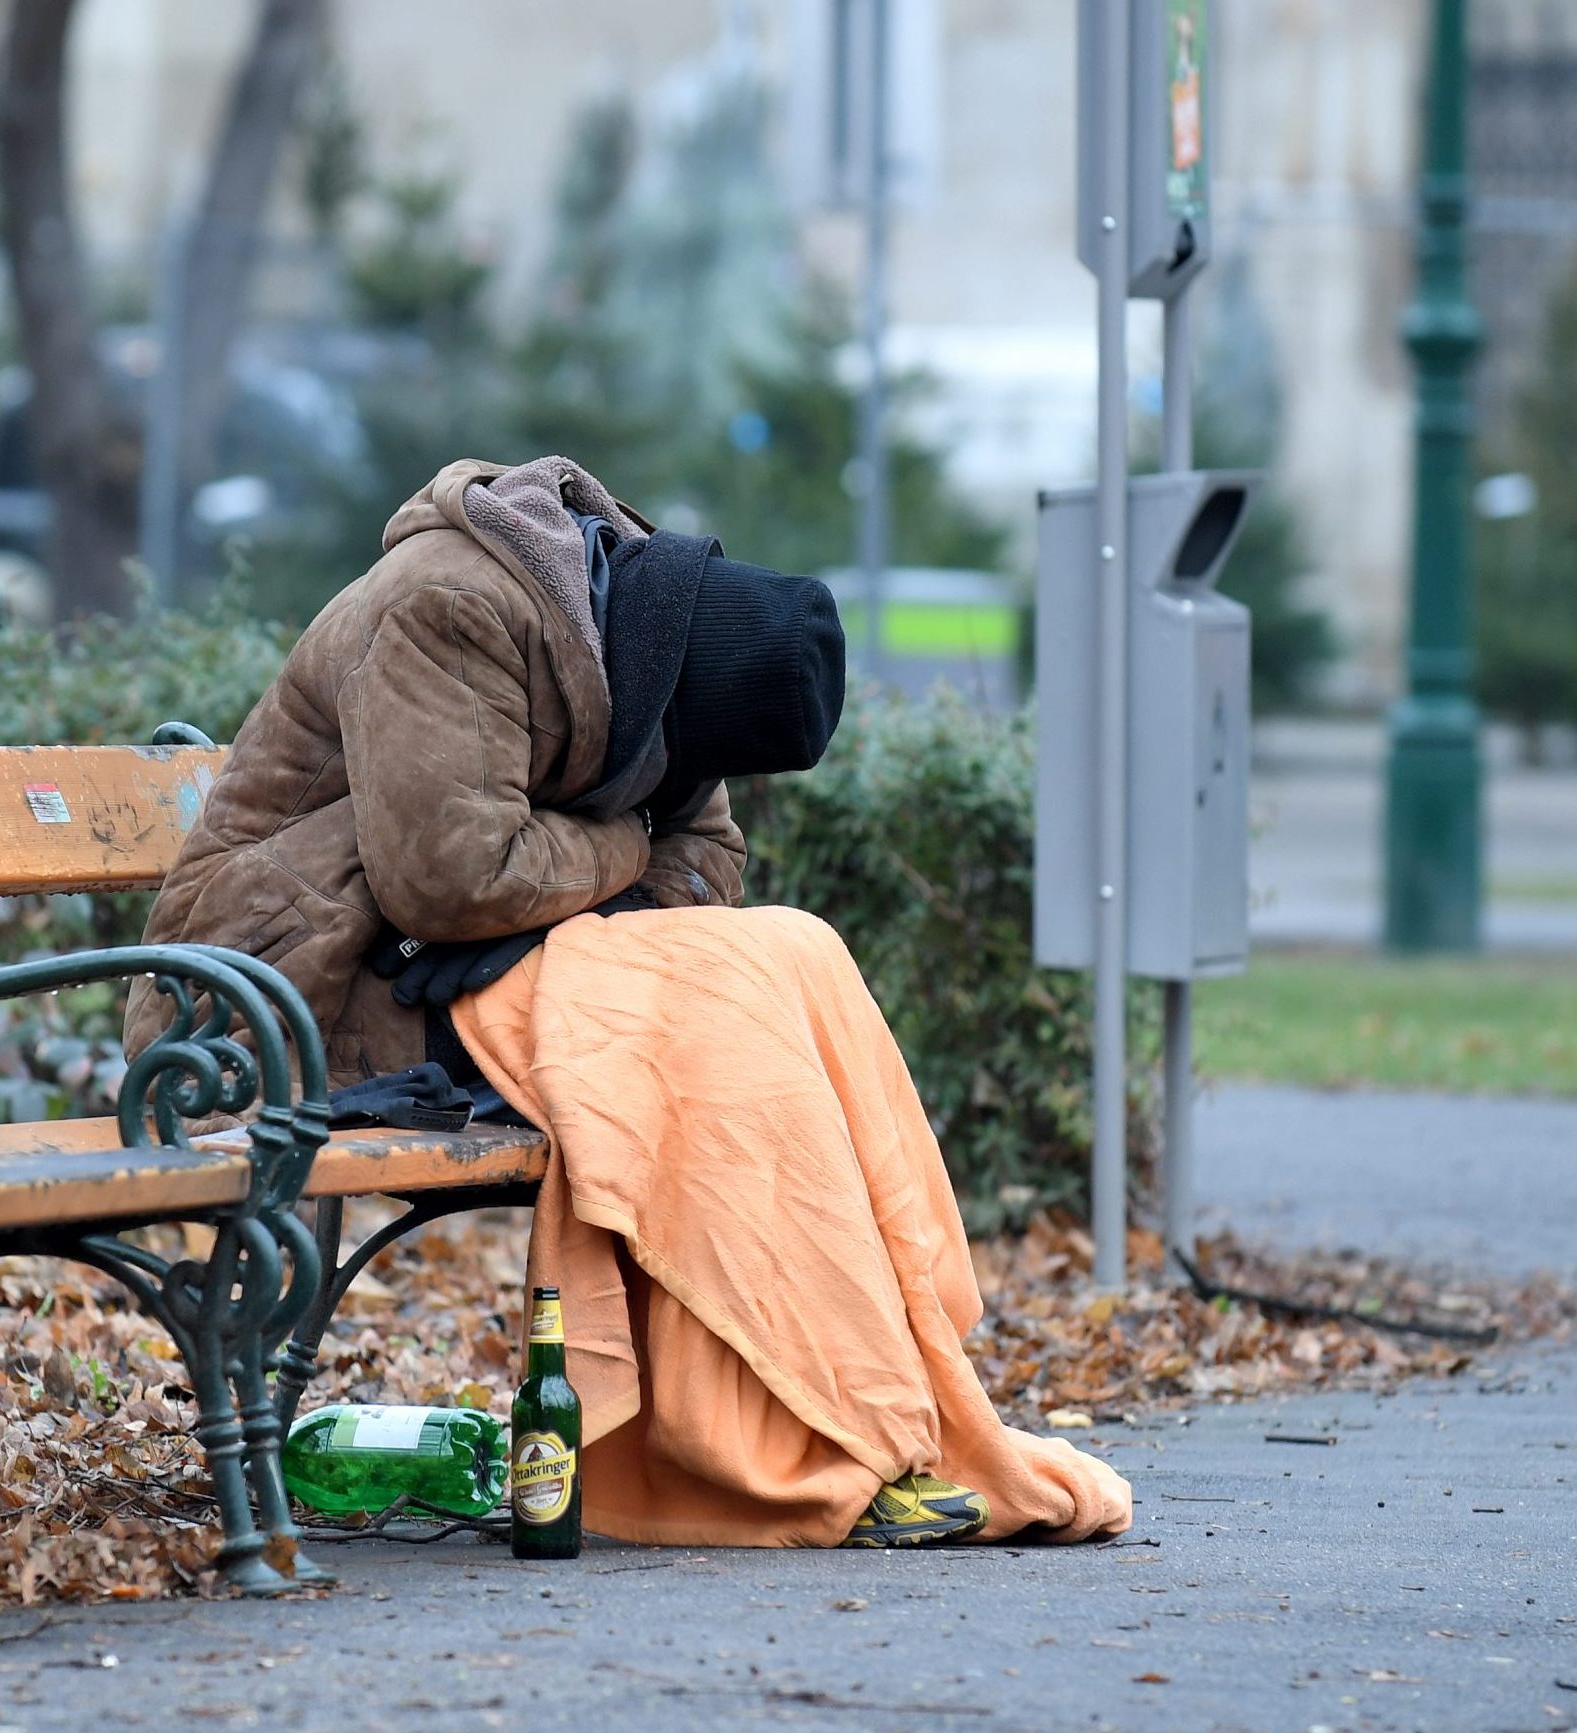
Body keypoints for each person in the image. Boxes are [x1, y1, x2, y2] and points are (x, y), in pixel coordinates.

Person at [130, 456, 1132, 1549]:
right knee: (703, 1004)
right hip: (282, 998)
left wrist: (576, 887)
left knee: (788, 953)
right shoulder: (450, 606)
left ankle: (879, 1402)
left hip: (450, 967)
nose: (678, 779)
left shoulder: (646, 648)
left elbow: (706, 865)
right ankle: (790, 1433)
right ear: (671, 660)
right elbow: (453, 876)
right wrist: (621, 848)